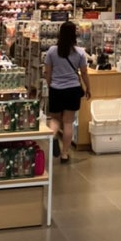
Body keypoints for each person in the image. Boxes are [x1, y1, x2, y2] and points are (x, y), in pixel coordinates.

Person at [44, 20, 91, 163]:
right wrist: (88, 88)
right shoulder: (80, 52)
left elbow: (47, 72)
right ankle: (65, 154)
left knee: (55, 119)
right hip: (72, 90)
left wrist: (50, 84)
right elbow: (84, 73)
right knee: (68, 122)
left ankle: (52, 137)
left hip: (56, 89)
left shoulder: (52, 51)